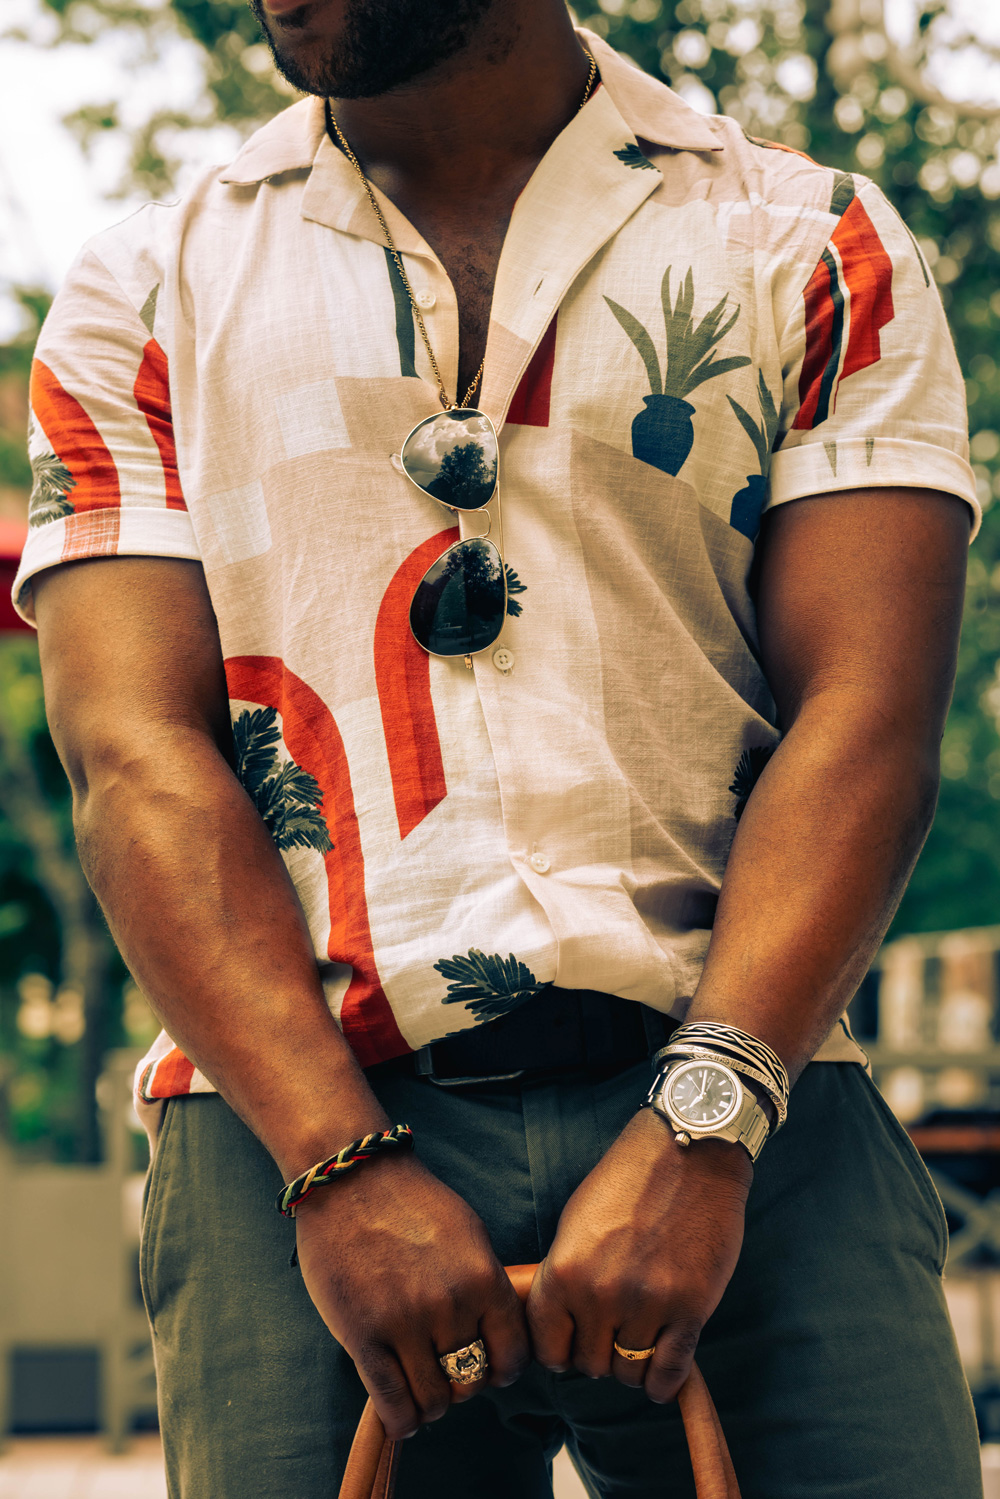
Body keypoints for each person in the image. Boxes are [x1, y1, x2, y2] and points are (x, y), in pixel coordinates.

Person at [16, 1, 984, 1494]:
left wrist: (707, 1128)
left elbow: (867, 715)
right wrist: (335, 1165)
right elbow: (134, 756)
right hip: (286, 1119)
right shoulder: (144, 289)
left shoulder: (812, 241)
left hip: (756, 1092)